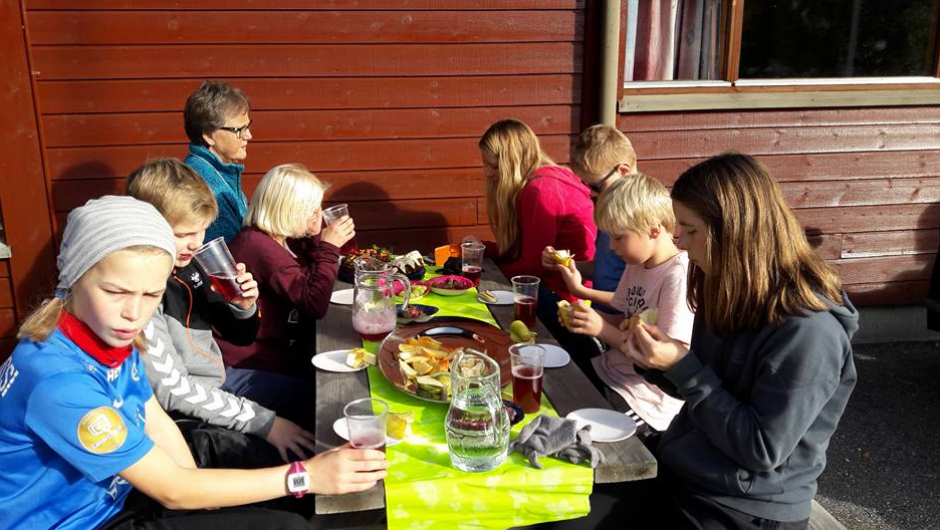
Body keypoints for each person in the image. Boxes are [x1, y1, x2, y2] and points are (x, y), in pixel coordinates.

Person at [0, 196, 388, 530]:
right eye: (115, 291)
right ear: (74, 276)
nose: (134, 313)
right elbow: (172, 490)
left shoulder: (109, 335)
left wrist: (208, 501)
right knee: (286, 520)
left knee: (276, 473)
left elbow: (156, 419)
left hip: (119, 489)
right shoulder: (58, 381)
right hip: (81, 519)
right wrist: (307, 477)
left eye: (152, 294)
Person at [551, 152, 858, 530]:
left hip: (741, 509)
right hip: (685, 474)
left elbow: (760, 448)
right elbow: (701, 386)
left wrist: (682, 367)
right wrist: (654, 360)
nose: (678, 239)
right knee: (555, 513)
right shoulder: (728, 289)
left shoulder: (809, 332)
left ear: (735, 231)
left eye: (690, 230)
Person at [126, 158, 315, 463]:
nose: (196, 243)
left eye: (200, 231)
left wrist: (243, 306)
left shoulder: (189, 266)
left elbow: (240, 336)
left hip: (221, 378)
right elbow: (174, 391)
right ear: (150, 225)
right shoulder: (141, 292)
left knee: (317, 400)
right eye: (184, 234)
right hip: (184, 417)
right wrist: (266, 423)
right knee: (283, 449)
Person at [549, 174, 692, 433]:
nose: (612, 247)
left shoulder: (677, 276)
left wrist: (601, 330)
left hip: (645, 400)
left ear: (654, 230)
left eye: (619, 237)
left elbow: (663, 356)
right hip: (612, 372)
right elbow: (624, 317)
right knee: (552, 386)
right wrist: (583, 319)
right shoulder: (637, 264)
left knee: (574, 429)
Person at [218, 164, 355, 415]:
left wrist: (316, 237)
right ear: (289, 210)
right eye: (312, 210)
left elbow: (318, 278)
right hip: (251, 364)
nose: (319, 215)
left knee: (343, 378)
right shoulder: (257, 245)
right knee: (333, 399)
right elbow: (314, 301)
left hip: (282, 353)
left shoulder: (284, 239)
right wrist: (329, 246)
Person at [479, 119, 596, 302]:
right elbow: (526, 252)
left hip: (563, 297)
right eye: (484, 164)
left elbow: (531, 268)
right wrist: (484, 249)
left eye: (494, 166)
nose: (487, 173)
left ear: (514, 162)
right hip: (560, 288)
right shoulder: (545, 180)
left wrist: (481, 274)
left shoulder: (541, 190)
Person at [183, 80, 252, 243]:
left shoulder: (220, 171)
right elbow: (229, 251)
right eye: (239, 130)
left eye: (248, 126)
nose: (248, 135)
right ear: (209, 135)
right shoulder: (204, 186)